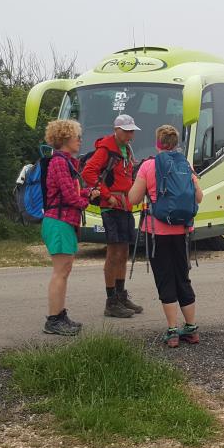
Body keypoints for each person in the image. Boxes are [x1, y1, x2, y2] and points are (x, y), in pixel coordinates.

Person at [127, 125, 204, 348]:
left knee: (165, 278)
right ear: (176, 143)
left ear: (158, 143)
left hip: (157, 232)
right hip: (182, 232)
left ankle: (172, 332)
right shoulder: (185, 165)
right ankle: (191, 328)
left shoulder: (148, 166)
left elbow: (133, 198)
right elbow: (199, 197)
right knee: (182, 277)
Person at [42, 119, 100, 336]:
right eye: (77, 136)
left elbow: (71, 193)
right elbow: (70, 197)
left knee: (64, 271)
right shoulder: (59, 163)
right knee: (60, 271)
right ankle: (53, 320)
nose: (80, 140)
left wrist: (87, 193)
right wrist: (88, 199)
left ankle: (59, 314)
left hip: (63, 221)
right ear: (66, 138)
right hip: (59, 222)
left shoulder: (66, 162)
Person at [82, 114, 144, 318]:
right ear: (116, 130)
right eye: (126, 131)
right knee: (114, 253)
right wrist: (107, 196)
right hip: (112, 207)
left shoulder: (127, 148)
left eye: (131, 130)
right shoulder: (106, 149)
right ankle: (111, 302)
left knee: (124, 252)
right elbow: (88, 172)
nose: (130, 134)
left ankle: (120, 295)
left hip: (125, 206)